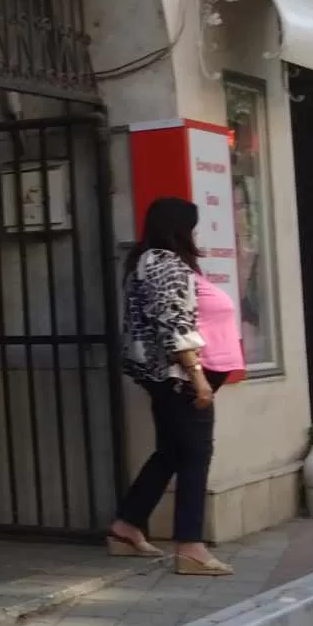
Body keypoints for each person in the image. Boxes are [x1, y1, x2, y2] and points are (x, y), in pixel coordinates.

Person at [107, 197, 232, 577]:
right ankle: (191, 547)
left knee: (171, 452)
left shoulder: (149, 262)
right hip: (176, 375)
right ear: (180, 228)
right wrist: (197, 377)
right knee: (196, 454)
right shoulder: (164, 263)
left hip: (164, 374)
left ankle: (127, 525)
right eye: (192, 227)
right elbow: (173, 322)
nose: (196, 234)